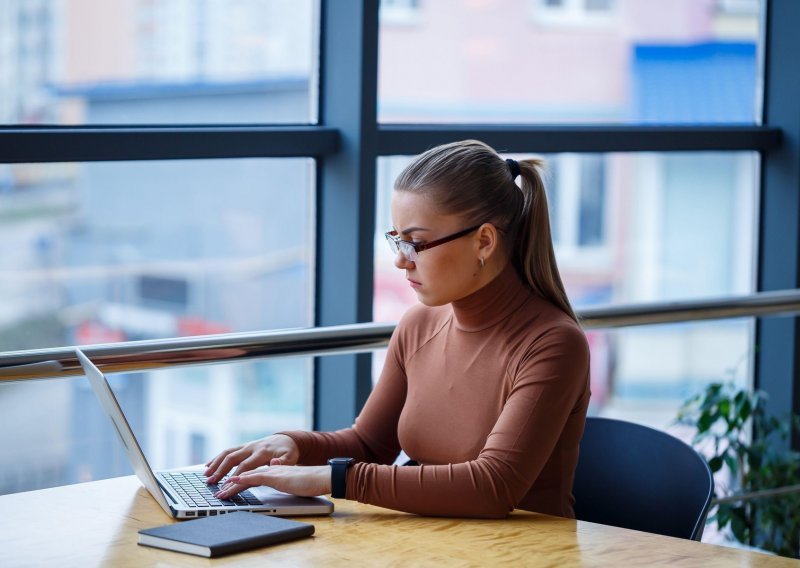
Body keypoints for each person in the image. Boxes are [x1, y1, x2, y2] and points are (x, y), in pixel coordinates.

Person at [207, 139, 590, 519]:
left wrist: (335, 479)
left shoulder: (552, 343)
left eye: (416, 243)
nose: (400, 262)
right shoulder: (418, 325)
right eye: (397, 240)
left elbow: (493, 486)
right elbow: (370, 445)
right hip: (430, 547)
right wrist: (292, 444)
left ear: (484, 241)